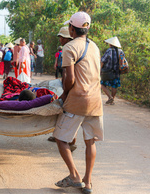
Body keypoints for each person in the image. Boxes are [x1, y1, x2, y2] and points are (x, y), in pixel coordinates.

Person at [52, 12, 103, 194]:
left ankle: (74, 176)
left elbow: (69, 79)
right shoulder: (95, 47)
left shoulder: (69, 47)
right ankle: (87, 182)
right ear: (87, 28)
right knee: (90, 141)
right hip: (96, 100)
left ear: (71, 29)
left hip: (77, 100)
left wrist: (64, 95)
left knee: (60, 138)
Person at [48, 26, 76, 152]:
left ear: (65, 38)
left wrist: (65, 91)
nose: (59, 39)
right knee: (70, 115)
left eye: (60, 37)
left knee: (66, 113)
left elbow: (66, 73)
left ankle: (68, 140)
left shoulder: (68, 49)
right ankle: (68, 139)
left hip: (71, 87)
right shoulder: (77, 46)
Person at [100, 36, 125, 105]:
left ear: (111, 44)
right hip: (116, 72)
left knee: (102, 84)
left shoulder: (109, 50)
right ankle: (112, 99)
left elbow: (103, 61)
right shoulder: (121, 51)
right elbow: (122, 62)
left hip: (107, 71)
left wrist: (100, 69)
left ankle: (110, 97)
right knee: (114, 86)